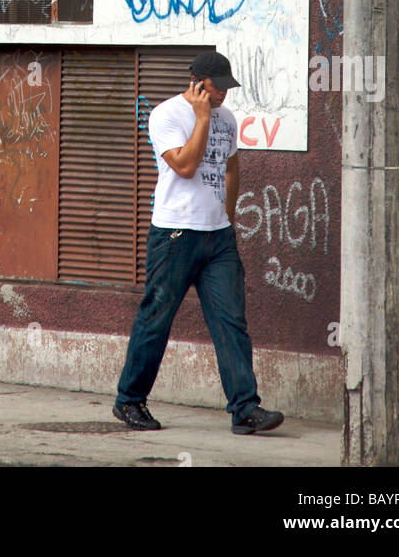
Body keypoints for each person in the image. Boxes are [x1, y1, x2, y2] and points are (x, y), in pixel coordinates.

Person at [113, 50, 284, 435]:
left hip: (217, 236)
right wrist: (202, 116)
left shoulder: (228, 119)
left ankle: (245, 409)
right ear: (196, 82)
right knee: (157, 318)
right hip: (175, 234)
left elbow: (230, 168)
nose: (222, 94)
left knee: (231, 321)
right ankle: (129, 401)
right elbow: (187, 165)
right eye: (215, 87)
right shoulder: (167, 114)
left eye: (227, 87)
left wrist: (227, 215)